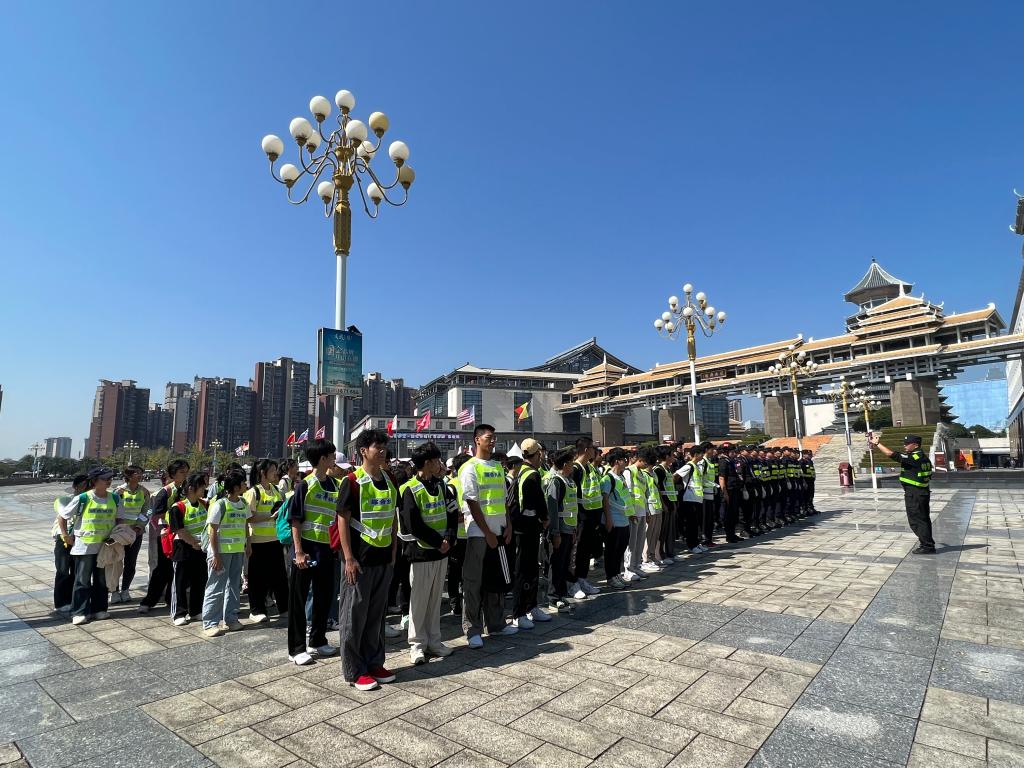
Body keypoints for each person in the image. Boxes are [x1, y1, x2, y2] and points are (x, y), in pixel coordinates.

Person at [336, 429, 399, 689]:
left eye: (384, 446)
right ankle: (354, 670)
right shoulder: (352, 481)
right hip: (359, 560)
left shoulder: (390, 479)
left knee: (376, 616)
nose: (382, 451)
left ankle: (374, 662)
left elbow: (392, 517)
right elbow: (342, 520)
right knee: (354, 616)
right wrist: (348, 557)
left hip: (383, 557)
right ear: (363, 451)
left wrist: (393, 549)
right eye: (377, 447)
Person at [398, 441, 457, 665]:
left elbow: (452, 512)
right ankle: (417, 644)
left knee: (434, 599)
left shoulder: (442, 486)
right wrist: (438, 541)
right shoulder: (409, 489)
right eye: (436, 460)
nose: (439, 464)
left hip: (441, 551)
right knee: (419, 600)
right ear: (427, 462)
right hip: (421, 553)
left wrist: (448, 538)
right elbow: (413, 524)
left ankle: (434, 641)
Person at [459, 424, 516, 648]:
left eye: (494, 438)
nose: (492, 442)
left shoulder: (497, 467)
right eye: (488, 437)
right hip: (478, 533)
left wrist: (508, 525)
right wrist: (487, 532)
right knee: (473, 582)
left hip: (499, 531)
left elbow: (503, 500)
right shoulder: (469, 467)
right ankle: (472, 629)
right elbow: (472, 503)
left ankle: (496, 624)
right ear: (477, 440)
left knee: (496, 580)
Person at [287, 438, 341, 665]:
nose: (334, 459)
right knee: (299, 599)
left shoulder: (336, 485)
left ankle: (318, 640)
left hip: (326, 550)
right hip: (306, 548)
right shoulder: (305, 485)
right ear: (323, 458)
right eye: (332, 455)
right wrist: (298, 552)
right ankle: (296, 648)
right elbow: (295, 520)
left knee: (324, 596)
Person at [58, 467, 120, 624]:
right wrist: (65, 535)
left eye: (110, 478)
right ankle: (79, 612)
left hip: (104, 546)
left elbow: (120, 518)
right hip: (85, 546)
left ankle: (99, 609)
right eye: (105, 478)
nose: (108, 481)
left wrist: (118, 535)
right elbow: (63, 516)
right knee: (82, 579)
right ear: (94, 481)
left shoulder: (114, 498)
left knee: (101, 579)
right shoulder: (84, 498)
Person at [202, 468, 251, 637]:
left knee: (234, 586)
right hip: (221, 552)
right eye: (243, 482)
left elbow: (245, 524)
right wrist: (215, 555)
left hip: (237, 551)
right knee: (216, 586)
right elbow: (212, 531)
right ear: (236, 487)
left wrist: (248, 544)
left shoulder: (243, 503)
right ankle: (210, 623)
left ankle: (231, 618)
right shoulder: (220, 505)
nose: (246, 485)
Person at [869, 433, 935, 553]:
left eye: (907, 443)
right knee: (923, 519)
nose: (905, 445)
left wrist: (878, 444)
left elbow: (892, 454)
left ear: (915, 445)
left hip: (915, 494)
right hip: (921, 492)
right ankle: (928, 544)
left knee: (916, 520)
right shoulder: (922, 457)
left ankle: (927, 546)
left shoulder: (915, 457)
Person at [510, 438, 551, 627]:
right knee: (525, 571)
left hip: (522, 528)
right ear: (538, 454)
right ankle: (520, 613)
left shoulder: (521, 471)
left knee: (529, 569)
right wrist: (545, 518)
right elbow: (538, 501)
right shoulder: (532, 475)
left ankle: (531, 607)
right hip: (527, 529)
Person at [139, 459, 189, 614]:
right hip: (167, 536)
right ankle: (148, 601)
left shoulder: (186, 489)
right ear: (173, 474)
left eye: (186, 472)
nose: (185, 475)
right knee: (162, 569)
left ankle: (171, 598)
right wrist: (169, 526)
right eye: (181, 472)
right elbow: (156, 516)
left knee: (178, 570)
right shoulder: (166, 492)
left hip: (183, 535)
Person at [244, 459, 288, 623]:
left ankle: (284, 608)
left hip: (275, 540)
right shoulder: (253, 492)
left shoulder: (276, 490)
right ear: (263, 473)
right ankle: (256, 610)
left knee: (280, 576)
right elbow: (248, 517)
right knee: (257, 578)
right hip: (257, 541)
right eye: (272, 470)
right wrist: (270, 515)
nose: (275, 473)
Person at [169, 471, 210, 626]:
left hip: (201, 548)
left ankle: (196, 610)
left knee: (199, 579)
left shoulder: (204, 504)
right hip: (183, 548)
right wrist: (193, 543)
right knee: (180, 582)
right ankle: (179, 613)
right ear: (192, 488)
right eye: (202, 487)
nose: (204, 490)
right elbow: (180, 530)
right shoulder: (178, 507)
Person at [545, 448, 579, 608]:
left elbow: (572, 507)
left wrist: (574, 530)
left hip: (569, 529)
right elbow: (552, 509)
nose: (573, 466)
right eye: (571, 463)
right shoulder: (556, 482)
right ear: (565, 464)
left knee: (564, 564)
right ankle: (553, 597)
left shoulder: (569, 481)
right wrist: (555, 532)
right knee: (557, 564)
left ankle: (561, 594)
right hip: (560, 531)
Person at [111, 465, 149, 604]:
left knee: (131, 562)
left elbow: (147, 511)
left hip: (135, 533)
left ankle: (125, 590)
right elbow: (113, 511)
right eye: (136, 473)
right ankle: (114, 591)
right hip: (119, 533)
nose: (140, 475)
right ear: (128, 475)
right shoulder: (118, 492)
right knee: (116, 562)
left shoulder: (144, 492)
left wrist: (139, 526)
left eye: (141, 473)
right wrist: (118, 527)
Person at [52, 474, 90, 615]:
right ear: (75, 486)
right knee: (62, 570)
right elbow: (64, 515)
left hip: (80, 539)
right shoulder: (64, 500)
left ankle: (73, 600)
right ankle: (60, 602)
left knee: (76, 571)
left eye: (89, 485)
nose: (86, 488)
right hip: (64, 539)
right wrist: (66, 536)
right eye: (84, 485)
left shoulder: (91, 501)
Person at [570, 438, 604, 597]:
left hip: (592, 515)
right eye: (592, 447)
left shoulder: (590, 467)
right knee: (578, 551)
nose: (594, 451)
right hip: (581, 516)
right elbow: (573, 495)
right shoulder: (575, 468)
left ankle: (582, 579)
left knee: (585, 550)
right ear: (585, 450)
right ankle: (573, 583)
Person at [602, 448, 634, 589]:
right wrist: (609, 519)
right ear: (616, 461)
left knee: (620, 549)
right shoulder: (607, 479)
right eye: (624, 460)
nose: (626, 462)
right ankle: (611, 577)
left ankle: (616, 574)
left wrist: (630, 514)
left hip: (624, 519)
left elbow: (625, 497)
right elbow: (605, 500)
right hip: (614, 521)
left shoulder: (621, 477)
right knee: (612, 550)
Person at [445, 454, 471, 616]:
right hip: (457, 538)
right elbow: (449, 515)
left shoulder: (473, 482)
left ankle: (468, 601)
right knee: (455, 572)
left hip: (473, 535)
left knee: (469, 572)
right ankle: (455, 603)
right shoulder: (451, 486)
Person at [622, 451, 651, 583]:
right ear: (640, 459)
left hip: (642, 511)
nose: (647, 465)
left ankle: (636, 566)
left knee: (639, 541)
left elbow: (644, 494)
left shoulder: (642, 474)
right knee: (631, 542)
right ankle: (628, 569)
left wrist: (647, 511)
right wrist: (630, 512)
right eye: (646, 462)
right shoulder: (629, 471)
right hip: (633, 512)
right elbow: (627, 492)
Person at [675, 444, 706, 554]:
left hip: (697, 498)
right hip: (689, 499)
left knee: (696, 523)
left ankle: (696, 543)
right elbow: (675, 475)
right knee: (691, 523)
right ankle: (691, 545)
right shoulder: (689, 466)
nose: (703, 456)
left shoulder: (697, 466)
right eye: (701, 454)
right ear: (696, 454)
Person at [652, 446, 677, 564]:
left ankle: (669, 553)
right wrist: (663, 504)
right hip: (664, 504)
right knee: (662, 532)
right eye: (672, 455)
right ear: (666, 456)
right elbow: (658, 488)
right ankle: (660, 555)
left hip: (671, 501)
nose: (673, 457)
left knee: (669, 531)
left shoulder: (668, 469)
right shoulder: (658, 470)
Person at [698, 444, 719, 548]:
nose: (713, 451)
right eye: (712, 449)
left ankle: (709, 539)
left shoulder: (709, 461)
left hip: (710, 492)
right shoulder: (703, 462)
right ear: (706, 450)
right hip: (705, 493)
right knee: (705, 518)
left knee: (710, 517)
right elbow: (700, 477)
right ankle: (705, 539)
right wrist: (713, 485)